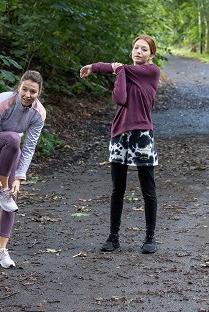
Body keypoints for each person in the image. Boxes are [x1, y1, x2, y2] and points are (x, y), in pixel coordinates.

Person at [79, 35, 160, 254]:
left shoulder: (152, 72)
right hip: (120, 134)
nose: (139, 52)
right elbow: (120, 99)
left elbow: (120, 68)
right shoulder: (125, 72)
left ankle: (150, 238)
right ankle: (113, 237)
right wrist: (113, 70)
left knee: (148, 189)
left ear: (151, 54)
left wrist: (97, 67)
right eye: (135, 48)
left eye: (144, 49)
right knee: (118, 189)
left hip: (142, 134)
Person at [0, 70, 46, 268]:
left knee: (11, 197)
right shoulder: (5, 101)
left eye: (33, 91)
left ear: (39, 93)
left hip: (9, 150)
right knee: (13, 138)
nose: (28, 95)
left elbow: (29, 147)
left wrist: (19, 177)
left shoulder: (39, 113)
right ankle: (2, 187)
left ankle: (1, 251)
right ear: (18, 87)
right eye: (24, 89)